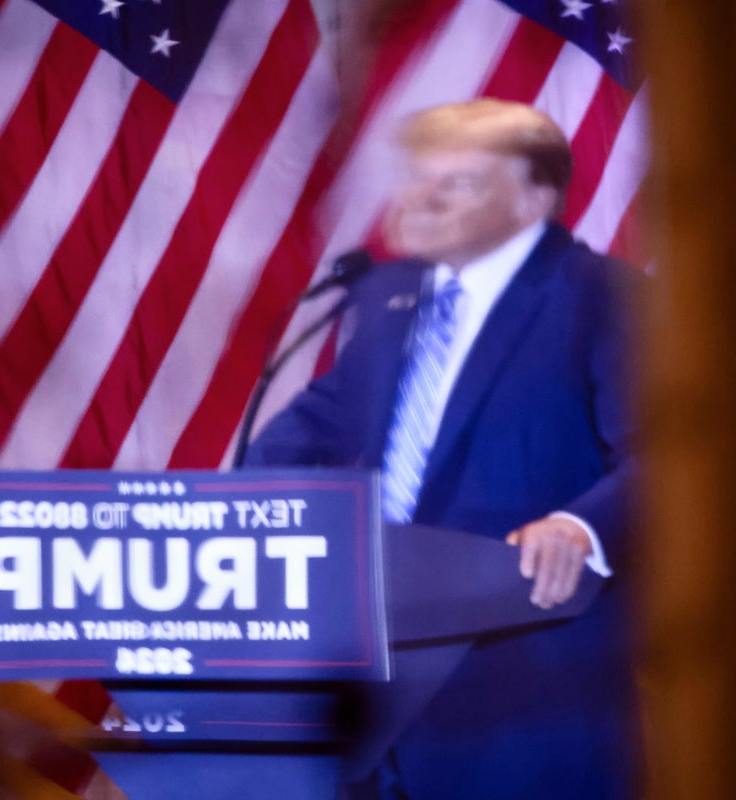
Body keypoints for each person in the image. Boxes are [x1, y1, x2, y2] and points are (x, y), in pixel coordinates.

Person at [244, 99, 642, 799]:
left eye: (455, 182)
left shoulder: (601, 296)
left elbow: (667, 462)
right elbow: (308, 432)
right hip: (371, 694)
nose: (421, 198)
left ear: (533, 197)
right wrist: (241, 510)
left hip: (525, 702)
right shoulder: (389, 296)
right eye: (417, 177)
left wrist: (580, 528)